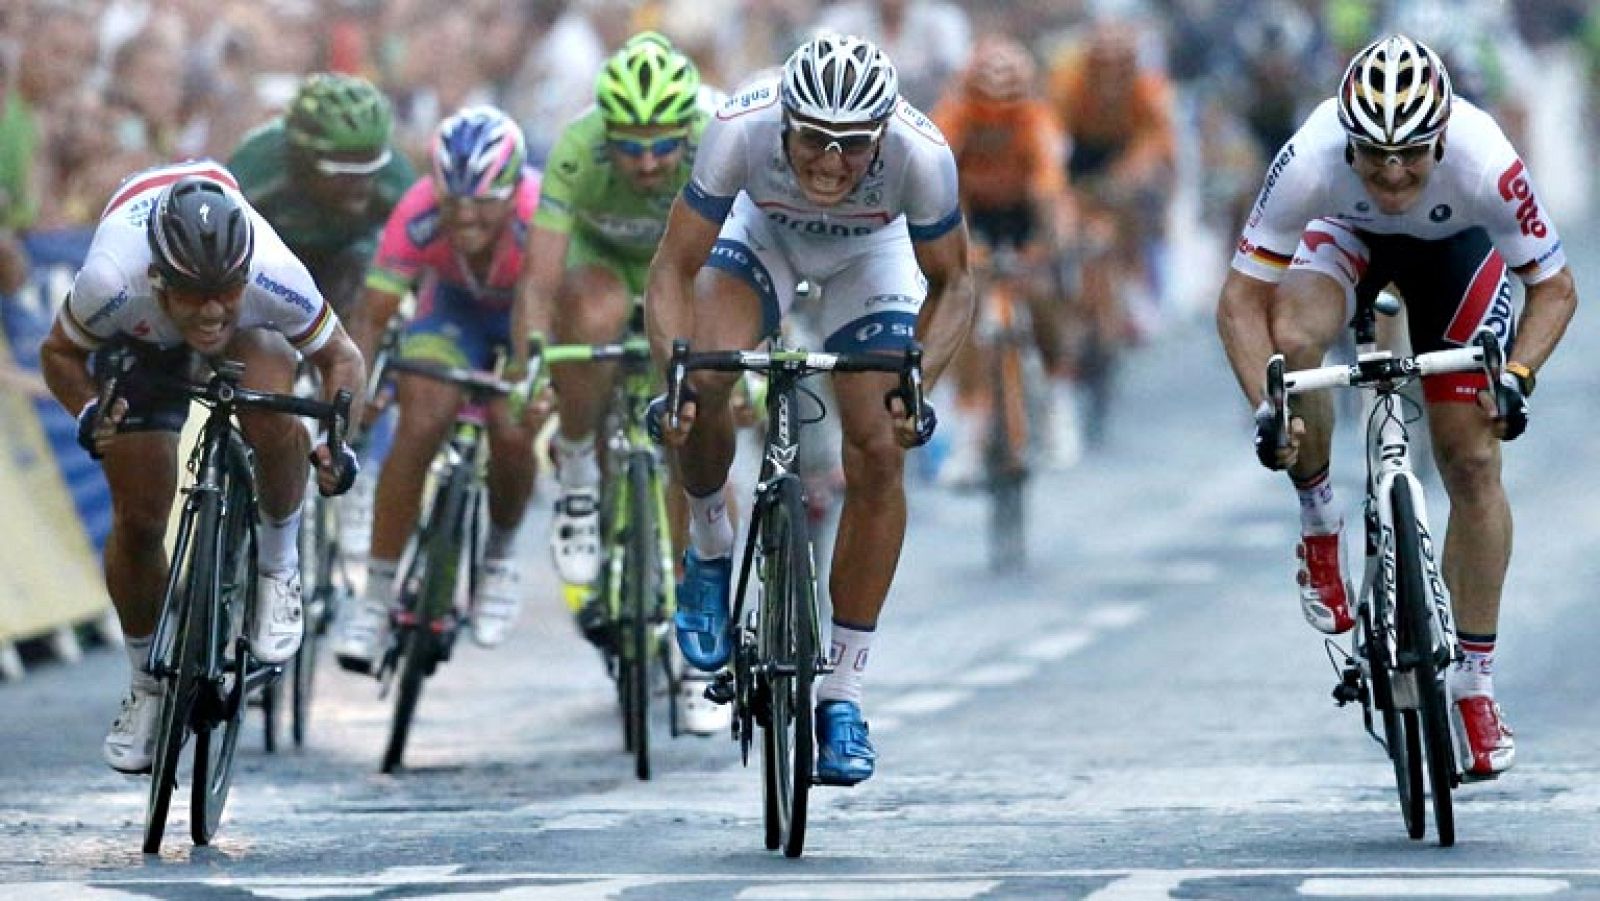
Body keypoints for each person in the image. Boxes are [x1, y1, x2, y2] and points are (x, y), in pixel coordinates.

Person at [1215, 36, 1578, 780]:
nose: (1390, 173)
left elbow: (1555, 289)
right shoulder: (1310, 156)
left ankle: (1474, 686)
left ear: (1440, 138)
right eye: (1373, 155)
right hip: (1343, 241)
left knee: (1472, 459)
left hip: (1455, 252)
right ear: (1346, 140)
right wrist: (1267, 407)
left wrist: (1517, 375)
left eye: (1411, 154)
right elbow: (1240, 302)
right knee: (1297, 340)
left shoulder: (1485, 159)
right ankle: (1320, 519)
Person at [647, 33, 973, 784]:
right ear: (785, 124)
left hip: (871, 256)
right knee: (704, 382)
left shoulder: (923, 155)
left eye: (852, 145)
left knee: (880, 449)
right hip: (761, 237)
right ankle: (708, 549)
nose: (829, 162)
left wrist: (918, 383)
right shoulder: (740, 127)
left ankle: (843, 696)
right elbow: (673, 266)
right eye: (813, 140)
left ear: (881, 135)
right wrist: (675, 377)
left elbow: (956, 284)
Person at [37, 162, 366, 773]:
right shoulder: (111, 278)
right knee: (139, 517)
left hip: (249, 334)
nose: (213, 310)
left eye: (227, 290)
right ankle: (147, 687)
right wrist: (87, 409)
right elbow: (59, 353)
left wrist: (337, 442)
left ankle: (278, 567)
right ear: (158, 278)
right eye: (194, 293)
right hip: (142, 338)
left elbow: (341, 357)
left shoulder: (271, 272)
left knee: (273, 408)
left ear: (245, 273)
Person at [513, 33, 731, 731]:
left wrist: (745, 366)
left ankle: (702, 643)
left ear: (685, 132)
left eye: (662, 147)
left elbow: (753, 263)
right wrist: (533, 364)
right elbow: (539, 281)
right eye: (630, 147)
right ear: (606, 132)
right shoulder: (579, 145)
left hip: (689, 271)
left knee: (700, 437)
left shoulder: (719, 137)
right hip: (603, 266)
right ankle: (580, 469)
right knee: (592, 311)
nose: (646, 162)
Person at [333, 105, 543, 669]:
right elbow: (372, 316)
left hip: (527, 313)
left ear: (513, 191)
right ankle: (375, 600)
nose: (466, 216)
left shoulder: (540, 212)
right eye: (454, 202)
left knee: (512, 428)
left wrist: (533, 378)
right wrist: (356, 391)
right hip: (452, 312)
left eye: (483, 201)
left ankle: (498, 558)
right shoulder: (418, 210)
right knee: (420, 421)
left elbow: (551, 311)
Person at [229, 72, 415, 560]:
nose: (362, 183)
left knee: (365, 308)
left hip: (345, 266)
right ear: (300, 156)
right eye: (342, 169)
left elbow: (418, 263)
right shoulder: (257, 167)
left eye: (370, 167)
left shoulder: (396, 180)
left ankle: (352, 446)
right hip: (272, 265)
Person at [931, 35, 1078, 483]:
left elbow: (1049, 193)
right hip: (971, 213)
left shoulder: (1038, 121)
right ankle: (969, 430)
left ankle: (1057, 398)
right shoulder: (951, 118)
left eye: (1004, 119)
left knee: (1043, 290)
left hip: (1024, 214)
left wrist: (1048, 249)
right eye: (984, 120)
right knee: (964, 306)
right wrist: (956, 253)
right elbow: (936, 190)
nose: (994, 131)